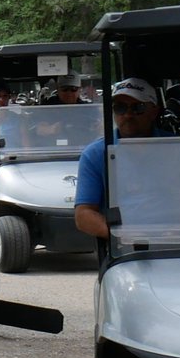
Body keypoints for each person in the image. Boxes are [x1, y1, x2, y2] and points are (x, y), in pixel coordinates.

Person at [71, 78, 170, 242]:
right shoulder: (96, 154)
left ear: (154, 111)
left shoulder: (175, 147)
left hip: (176, 240)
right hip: (125, 246)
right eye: (120, 108)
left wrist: (177, 234)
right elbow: (83, 214)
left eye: (138, 108)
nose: (128, 115)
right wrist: (122, 235)